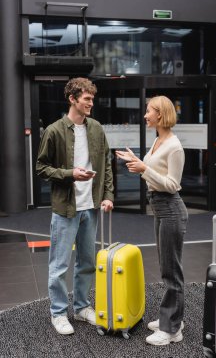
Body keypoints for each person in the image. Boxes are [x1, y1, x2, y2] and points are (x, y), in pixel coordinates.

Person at [36, 77, 114, 335]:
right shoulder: (54, 130)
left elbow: (107, 163)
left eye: (93, 98)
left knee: (87, 262)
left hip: (90, 207)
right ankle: (58, 313)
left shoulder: (96, 128)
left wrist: (108, 194)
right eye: (87, 99)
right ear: (72, 99)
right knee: (59, 265)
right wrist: (70, 173)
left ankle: (81, 308)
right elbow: (41, 168)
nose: (91, 103)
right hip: (65, 209)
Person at [116, 95, 188, 346]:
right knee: (167, 267)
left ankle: (172, 329)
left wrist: (143, 169)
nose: (145, 115)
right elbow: (154, 171)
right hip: (159, 208)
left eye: (149, 111)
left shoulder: (174, 146)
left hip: (170, 208)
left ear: (161, 114)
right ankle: (171, 317)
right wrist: (136, 161)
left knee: (172, 272)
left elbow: (172, 184)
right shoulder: (159, 140)